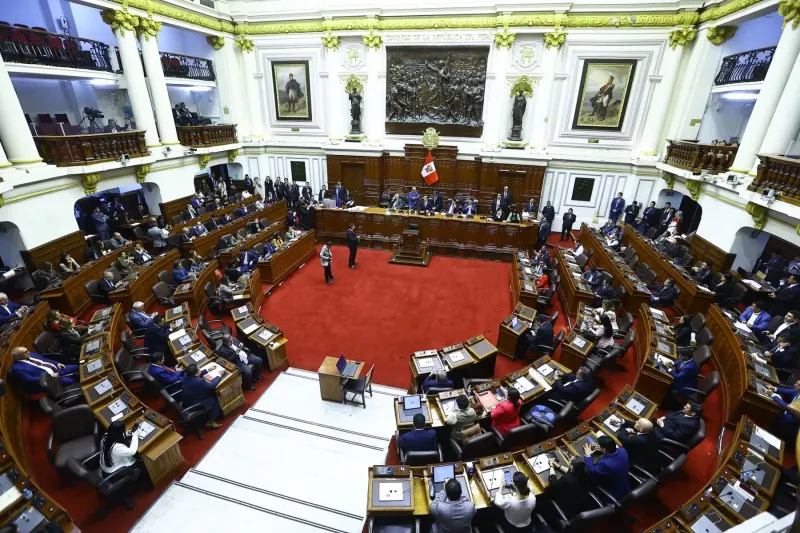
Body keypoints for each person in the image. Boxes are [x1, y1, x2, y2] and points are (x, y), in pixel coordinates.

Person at [8, 346, 78, 394]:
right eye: (25, 352)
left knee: (77, 367)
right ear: (18, 357)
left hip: (57, 369)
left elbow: (45, 360)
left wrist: (57, 363)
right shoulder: (17, 368)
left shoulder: (31, 354)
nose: (29, 352)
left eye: (27, 350)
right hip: (52, 379)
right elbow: (29, 379)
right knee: (71, 381)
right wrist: (49, 376)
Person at [583, 435, 630, 502]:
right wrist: (602, 450)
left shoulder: (605, 464)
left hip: (614, 494)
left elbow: (591, 470)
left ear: (604, 449)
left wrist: (587, 455)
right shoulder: (623, 451)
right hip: (626, 486)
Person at [182, 364, 223, 429]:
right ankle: (211, 422)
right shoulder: (200, 381)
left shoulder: (186, 375)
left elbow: (195, 376)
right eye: (198, 369)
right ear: (195, 373)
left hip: (187, 400)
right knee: (214, 399)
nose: (200, 369)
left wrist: (208, 370)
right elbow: (212, 386)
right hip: (195, 403)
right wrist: (219, 375)